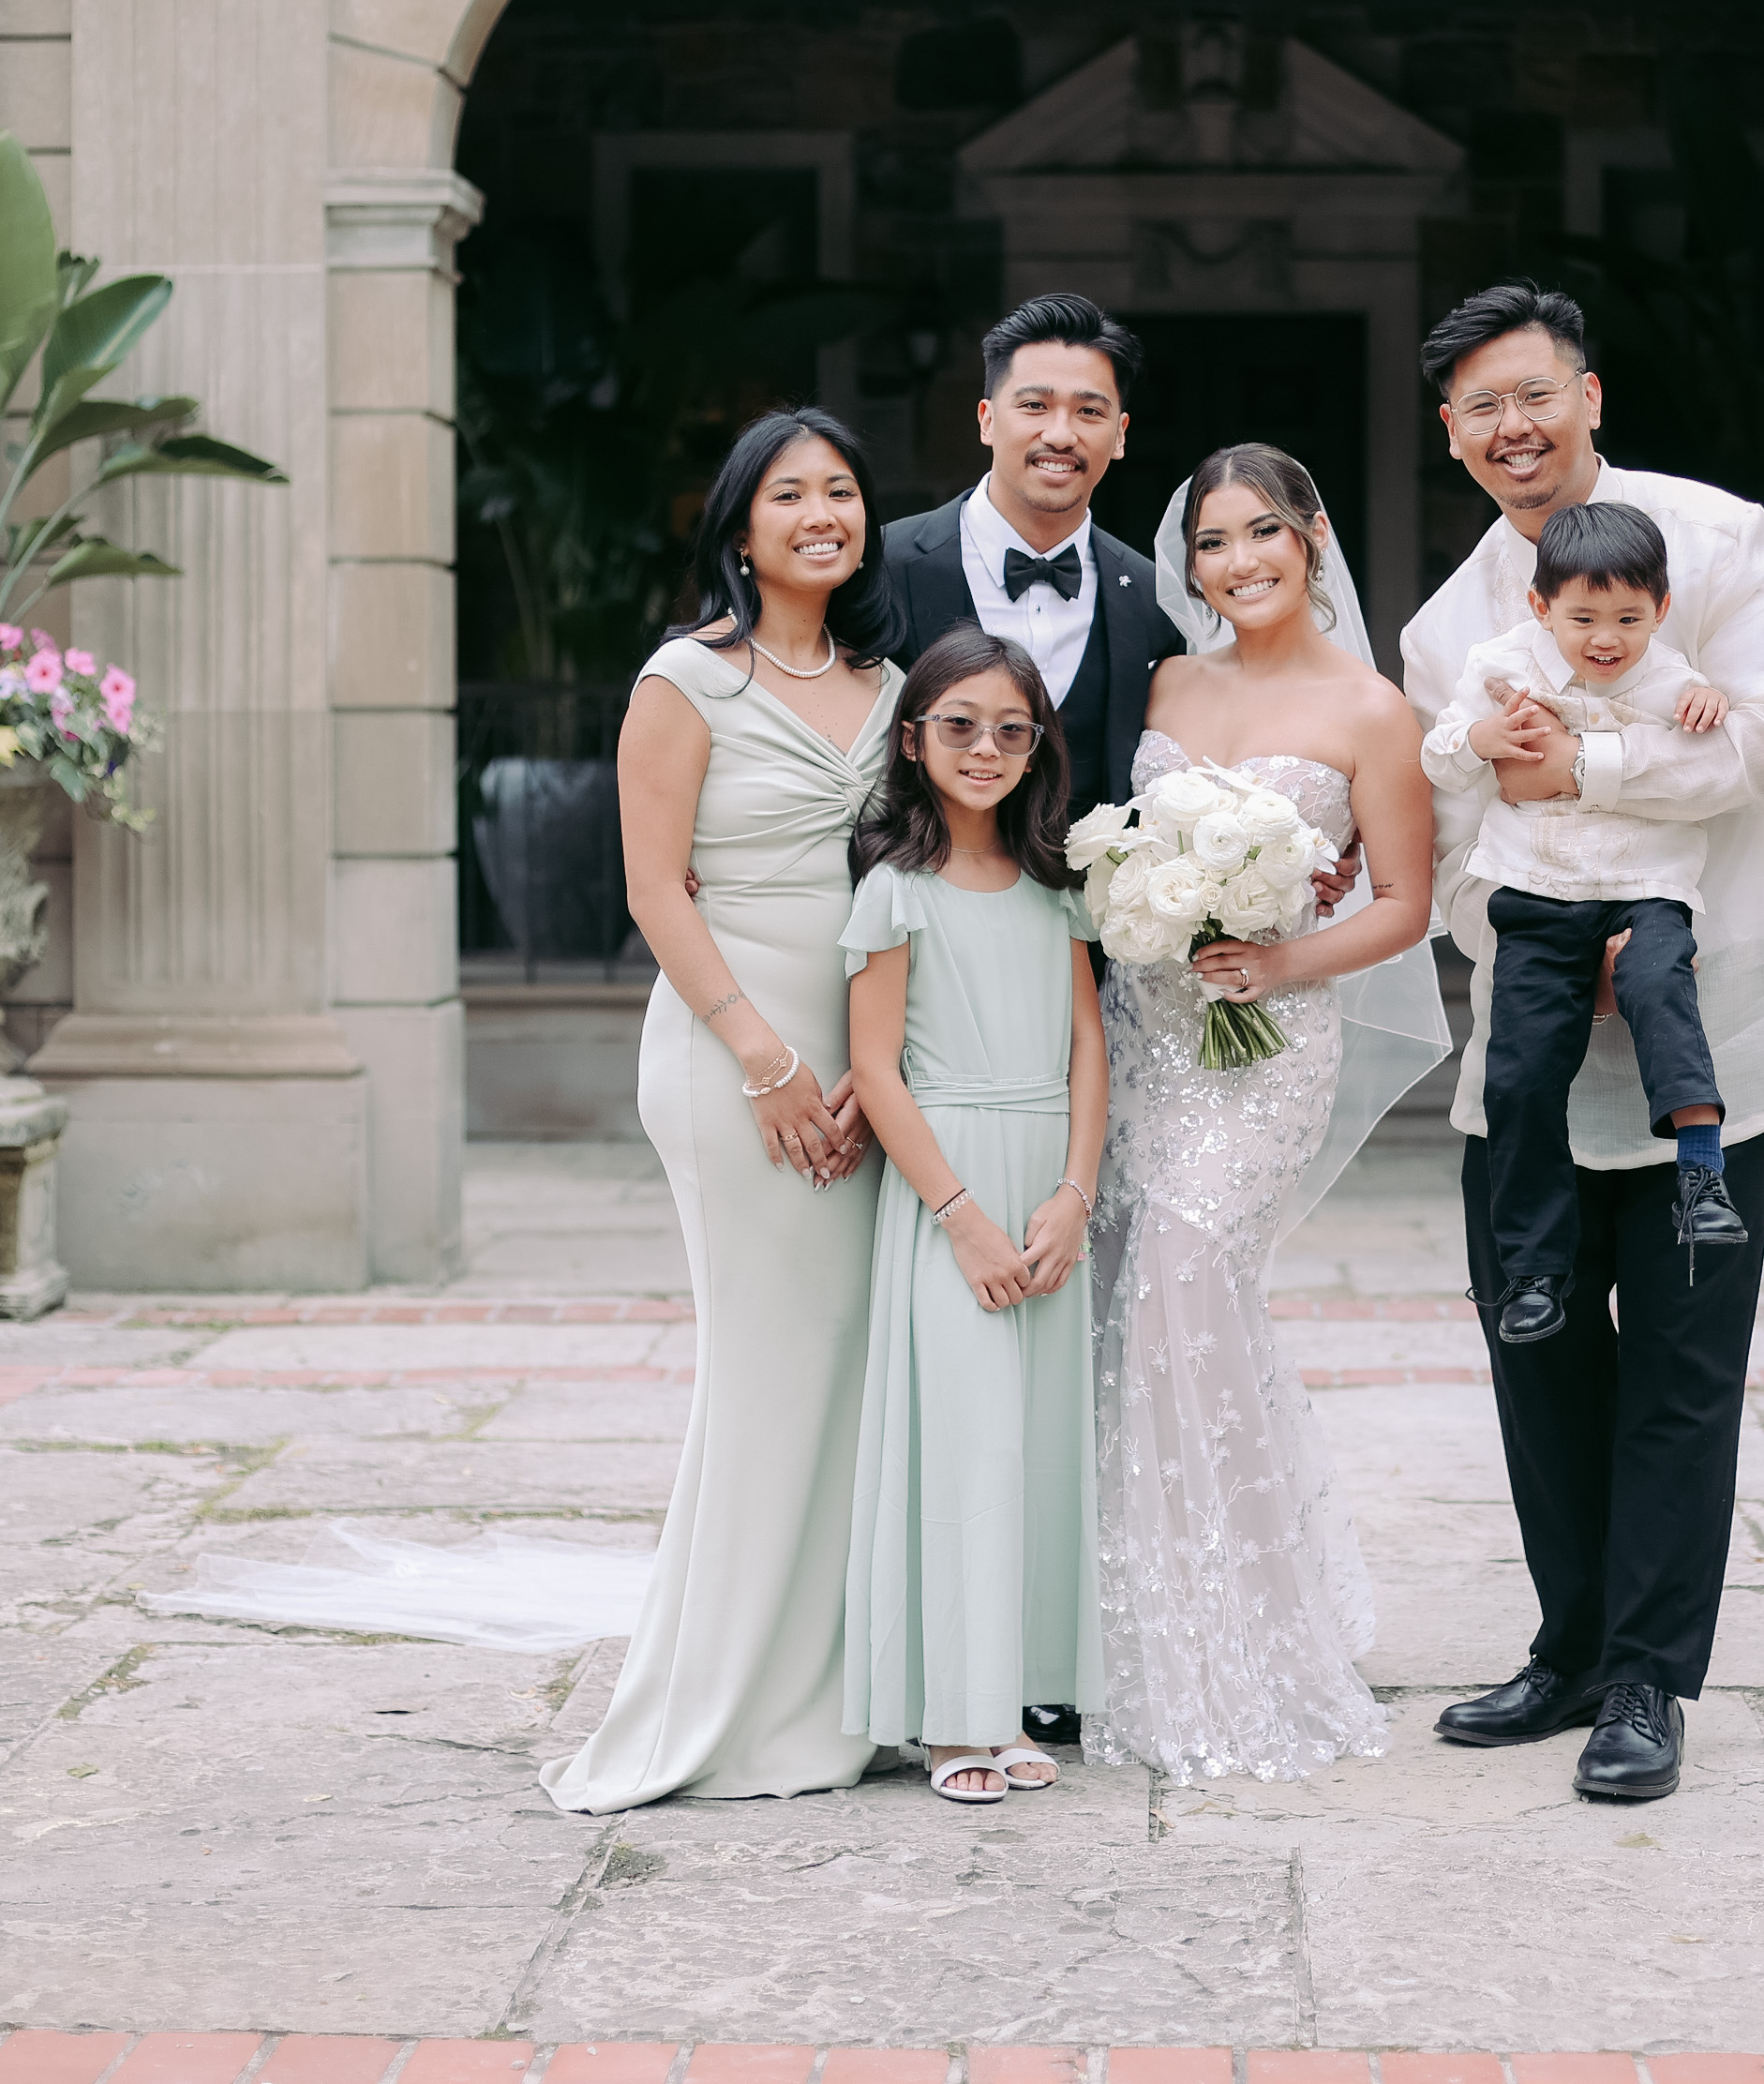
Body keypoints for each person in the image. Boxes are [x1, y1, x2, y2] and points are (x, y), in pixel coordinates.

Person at [1398, 281, 1764, 1806]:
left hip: (1718, 1027)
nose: (1511, 426)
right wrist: (1516, 928)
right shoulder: (1447, 628)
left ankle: (1648, 1676)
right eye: (1480, 408)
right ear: (1451, 434)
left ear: (1588, 396)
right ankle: (1570, 1644)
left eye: (1535, 393)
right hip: (1531, 1039)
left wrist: (1582, 768)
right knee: (1530, 1348)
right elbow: (1450, 837)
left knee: (1678, 1363)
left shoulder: (1716, 541)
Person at [541, 407, 904, 1812]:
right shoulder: (685, 680)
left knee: (847, 1372)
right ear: (742, 526)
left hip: (860, 1062)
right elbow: (654, 888)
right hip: (729, 1051)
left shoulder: (890, 685)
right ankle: (723, 1707)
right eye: (790, 494)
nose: (822, 514)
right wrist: (764, 1058)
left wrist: (876, 1066)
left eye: (842, 492)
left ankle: (827, 1691)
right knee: (767, 1368)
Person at [1088, 441, 1441, 1784]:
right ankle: (1134, 1615)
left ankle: (1241, 1642)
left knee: (1182, 1272)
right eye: (1212, 543)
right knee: (1146, 1303)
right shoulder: (1169, 683)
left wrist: (1280, 960)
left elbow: (1401, 903)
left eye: (1260, 534)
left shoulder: (1371, 710)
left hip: (1267, 1047)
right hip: (1149, 1034)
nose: (1237, 563)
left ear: (1312, 537)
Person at [837, 626, 1109, 1806]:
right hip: (949, 1185)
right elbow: (876, 1068)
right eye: (959, 725)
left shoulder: (1058, 888)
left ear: (1037, 744)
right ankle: (953, 1716)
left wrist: (1075, 1192)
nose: (986, 747)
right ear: (913, 740)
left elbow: (1090, 1045)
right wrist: (961, 1215)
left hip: (1046, 1182)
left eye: (1011, 728)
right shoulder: (895, 890)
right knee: (964, 1442)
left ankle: (1017, 1693)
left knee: (1036, 1447)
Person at [1420, 496, 1747, 1351]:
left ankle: (1702, 1176)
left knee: (1661, 986)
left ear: (1661, 609)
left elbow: (1712, 758)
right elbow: (1440, 761)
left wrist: (1708, 697)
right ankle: (1532, 1271)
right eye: (1584, 619)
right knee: (1520, 1073)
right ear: (1542, 606)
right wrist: (1485, 737)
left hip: (1645, 886)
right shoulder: (1499, 666)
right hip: (1536, 891)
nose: (1607, 639)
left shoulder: (1671, 677)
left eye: (1629, 619)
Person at [879, 293, 1192, 823]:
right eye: (1034, 406)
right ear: (986, 420)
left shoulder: (1154, 598)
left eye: (1089, 411)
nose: (1060, 435)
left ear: (1119, 435)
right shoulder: (886, 565)